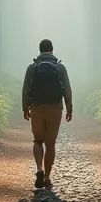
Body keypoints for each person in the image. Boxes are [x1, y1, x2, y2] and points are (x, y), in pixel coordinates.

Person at [21, 38, 73, 189]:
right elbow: (67, 90)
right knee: (50, 144)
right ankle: (48, 178)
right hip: (55, 107)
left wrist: (25, 108)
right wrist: (69, 108)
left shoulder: (32, 67)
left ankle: (39, 169)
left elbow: (25, 89)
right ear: (51, 50)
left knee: (38, 140)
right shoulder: (60, 68)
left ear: (40, 50)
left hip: (37, 107)